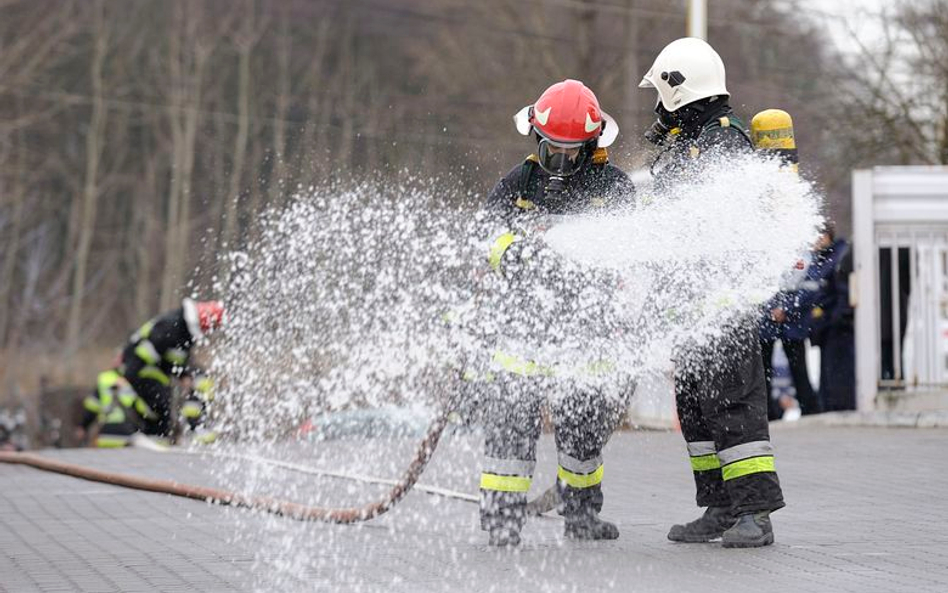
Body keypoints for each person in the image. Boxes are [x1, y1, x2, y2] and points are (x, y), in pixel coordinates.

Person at [639, 37, 785, 547]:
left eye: (660, 94)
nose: (657, 108)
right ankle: (720, 507)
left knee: (733, 408)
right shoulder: (689, 145)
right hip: (688, 310)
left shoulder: (724, 143)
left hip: (720, 309)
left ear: (679, 90)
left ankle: (756, 513)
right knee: (698, 411)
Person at [479, 79, 634, 546]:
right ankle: (502, 521)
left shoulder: (614, 188)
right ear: (535, 140)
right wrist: (519, 253)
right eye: (552, 152)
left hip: (587, 335)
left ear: (592, 145)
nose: (560, 164)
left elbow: (628, 250)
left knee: (583, 434)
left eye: (570, 154)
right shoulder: (518, 182)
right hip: (521, 331)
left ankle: (582, 516)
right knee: (510, 428)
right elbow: (486, 237)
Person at [120, 298, 224, 440]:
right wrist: (182, 374)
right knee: (161, 402)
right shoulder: (171, 327)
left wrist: (184, 374)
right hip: (141, 369)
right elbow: (148, 356)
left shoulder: (184, 330)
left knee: (202, 380)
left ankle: (196, 427)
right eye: (212, 325)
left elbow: (176, 358)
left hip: (155, 369)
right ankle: (154, 436)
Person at [806, 225, 856, 412]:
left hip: (837, 326)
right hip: (827, 326)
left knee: (838, 371)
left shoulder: (838, 257)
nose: (814, 242)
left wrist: (836, 317)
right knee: (829, 371)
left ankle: (838, 406)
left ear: (827, 237)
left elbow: (842, 291)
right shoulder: (824, 257)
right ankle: (828, 405)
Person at [80, 369, 157, 447]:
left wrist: (83, 426)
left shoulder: (104, 379)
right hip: (127, 432)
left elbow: (92, 407)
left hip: (106, 433)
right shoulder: (137, 380)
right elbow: (144, 411)